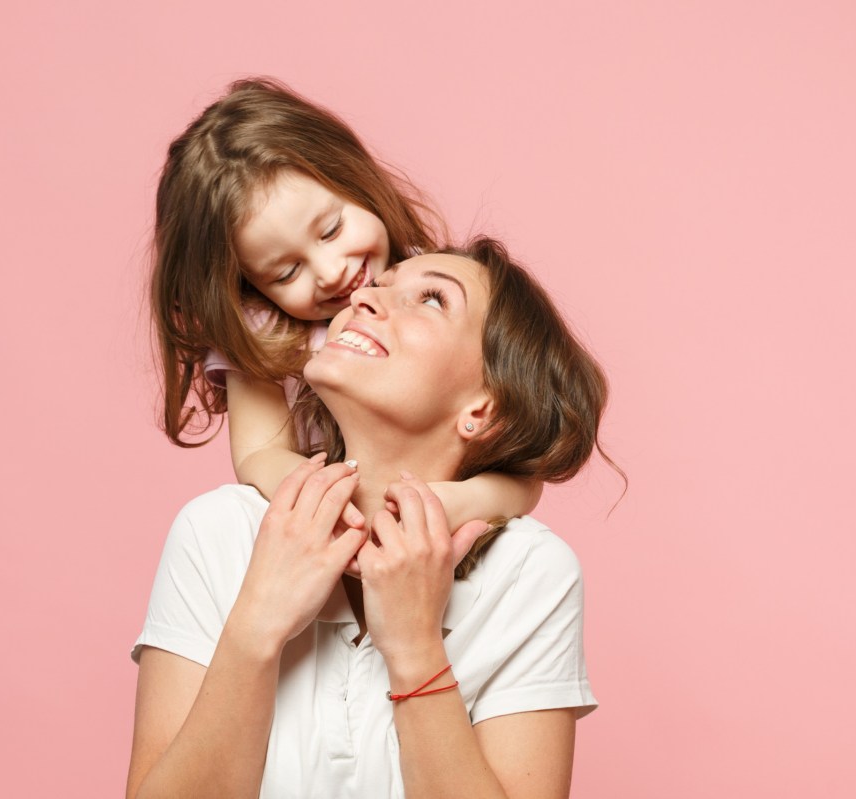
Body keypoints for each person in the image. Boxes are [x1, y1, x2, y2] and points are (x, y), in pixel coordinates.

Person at [129, 238, 612, 798]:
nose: (362, 299)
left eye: (432, 299)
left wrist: (414, 647)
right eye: (378, 287)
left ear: (483, 408)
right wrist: (257, 625)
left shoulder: (530, 573)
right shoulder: (217, 531)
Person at [150, 78, 540, 534]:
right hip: (328, 540)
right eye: (286, 272)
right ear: (249, 287)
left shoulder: (426, 289)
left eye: (331, 230)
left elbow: (524, 476)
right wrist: (328, 502)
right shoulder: (263, 336)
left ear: (354, 182)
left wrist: (462, 499)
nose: (331, 272)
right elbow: (258, 454)